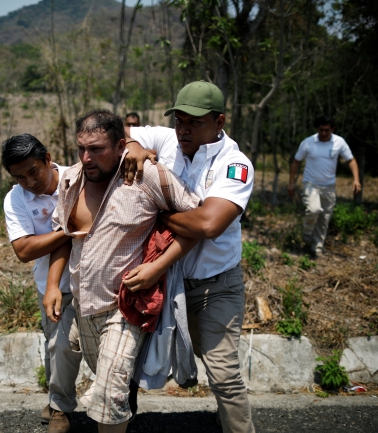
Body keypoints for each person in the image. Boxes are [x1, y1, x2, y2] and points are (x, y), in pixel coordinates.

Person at [44, 109, 200, 433]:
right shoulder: (71, 180)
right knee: (110, 383)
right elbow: (64, 237)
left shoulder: (148, 177)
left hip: (125, 305)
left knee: (109, 392)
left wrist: (158, 267)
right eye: (81, 148)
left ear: (120, 146)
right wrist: (52, 286)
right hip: (84, 305)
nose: (87, 158)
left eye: (97, 149)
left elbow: (195, 223)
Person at [124, 81, 256, 433]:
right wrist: (135, 145)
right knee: (127, 358)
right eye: (179, 120)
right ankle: (121, 422)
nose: (184, 129)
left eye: (194, 122)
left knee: (223, 374)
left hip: (215, 287)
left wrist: (162, 214)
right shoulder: (170, 140)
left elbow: (209, 223)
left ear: (219, 121)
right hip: (167, 280)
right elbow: (117, 129)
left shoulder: (235, 164)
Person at [2, 134, 80, 433]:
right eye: (19, 176)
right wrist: (69, 231)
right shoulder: (16, 199)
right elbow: (24, 250)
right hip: (52, 287)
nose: (29, 182)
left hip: (91, 282)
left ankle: (107, 406)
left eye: (33, 171)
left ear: (48, 159)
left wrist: (55, 236)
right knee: (55, 347)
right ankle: (58, 406)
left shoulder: (76, 181)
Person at [287, 115, 361, 257]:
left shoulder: (339, 142)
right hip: (311, 183)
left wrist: (356, 179)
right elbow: (296, 162)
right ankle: (307, 233)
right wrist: (291, 182)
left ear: (333, 129)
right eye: (321, 130)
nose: (324, 133)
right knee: (314, 209)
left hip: (329, 186)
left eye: (327, 130)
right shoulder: (308, 142)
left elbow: (351, 160)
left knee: (324, 219)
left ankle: (317, 248)